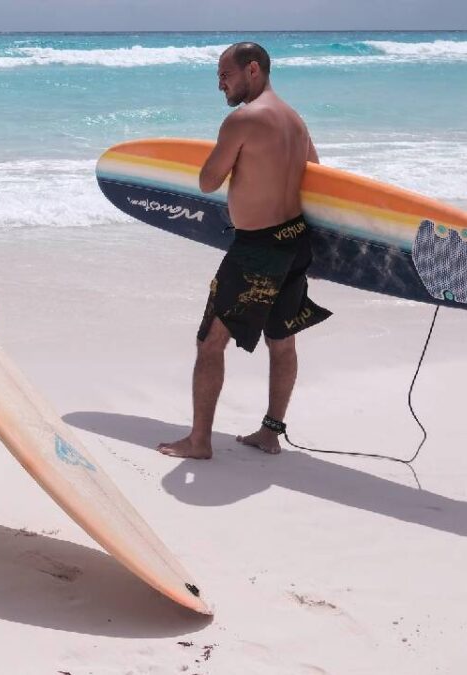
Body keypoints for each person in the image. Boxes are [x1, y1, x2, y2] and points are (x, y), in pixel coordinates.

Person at [157, 43, 331, 460]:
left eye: (225, 74)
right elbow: (317, 177)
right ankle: (270, 433)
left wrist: (229, 161)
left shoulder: (242, 120)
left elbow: (207, 181)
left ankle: (199, 441)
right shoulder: (295, 121)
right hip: (293, 241)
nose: (220, 83)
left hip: (257, 249)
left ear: (252, 70)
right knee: (281, 339)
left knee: (210, 341)